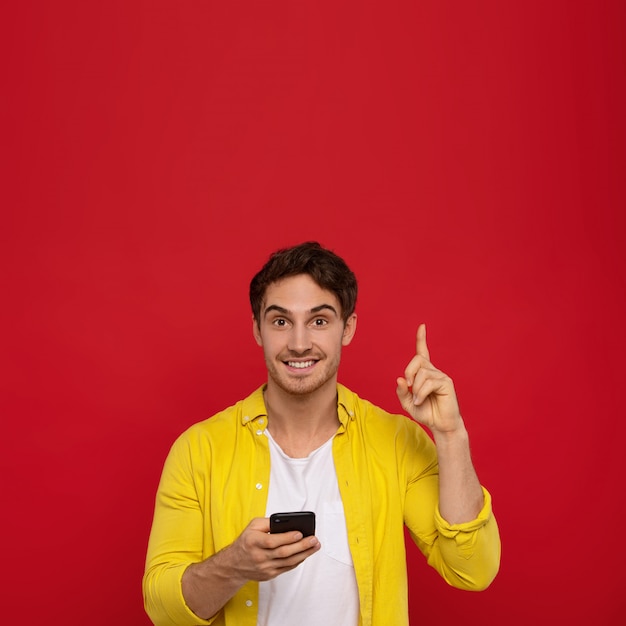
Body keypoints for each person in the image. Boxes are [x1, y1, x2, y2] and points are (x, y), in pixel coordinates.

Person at [143, 241, 500, 626]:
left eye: (319, 321)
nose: (299, 343)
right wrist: (235, 565)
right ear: (257, 330)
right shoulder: (199, 449)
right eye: (281, 321)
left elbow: (473, 569)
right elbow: (162, 608)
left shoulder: (395, 442)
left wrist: (450, 435)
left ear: (347, 328)